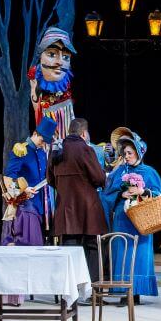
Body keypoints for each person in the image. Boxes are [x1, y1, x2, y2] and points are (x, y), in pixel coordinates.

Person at [99, 130, 161, 303]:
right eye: (124, 153)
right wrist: (121, 195)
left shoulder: (149, 172)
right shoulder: (118, 172)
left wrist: (143, 191)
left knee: (139, 255)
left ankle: (136, 293)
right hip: (122, 219)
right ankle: (123, 291)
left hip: (142, 220)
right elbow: (107, 194)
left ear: (138, 152)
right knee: (122, 253)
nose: (126, 156)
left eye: (129, 153)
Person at [52, 118, 108, 283]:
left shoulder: (57, 149)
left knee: (70, 247)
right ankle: (91, 287)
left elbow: (50, 179)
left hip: (65, 208)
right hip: (87, 207)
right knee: (93, 246)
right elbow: (98, 177)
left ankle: (70, 287)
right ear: (84, 133)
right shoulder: (85, 149)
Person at [2, 117, 53, 246]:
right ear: (35, 133)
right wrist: (23, 189)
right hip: (25, 206)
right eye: (42, 140)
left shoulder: (41, 152)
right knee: (29, 245)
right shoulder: (21, 150)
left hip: (39, 205)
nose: (43, 144)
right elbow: (8, 177)